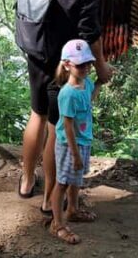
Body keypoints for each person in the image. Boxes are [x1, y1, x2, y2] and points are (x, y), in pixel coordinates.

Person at [17, 0, 112, 210]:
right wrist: (101, 67)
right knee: (56, 127)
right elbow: (91, 34)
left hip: (34, 51)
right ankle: (49, 201)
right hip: (62, 64)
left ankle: (26, 182)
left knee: (37, 114)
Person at [49, 39, 101, 244]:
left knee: (76, 179)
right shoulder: (67, 94)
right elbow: (68, 126)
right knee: (62, 183)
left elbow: (89, 100)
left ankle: (72, 209)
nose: (86, 67)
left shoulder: (86, 83)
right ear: (67, 65)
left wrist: (99, 83)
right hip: (68, 145)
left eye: (88, 63)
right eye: (80, 64)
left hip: (83, 141)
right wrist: (75, 154)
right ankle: (57, 224)